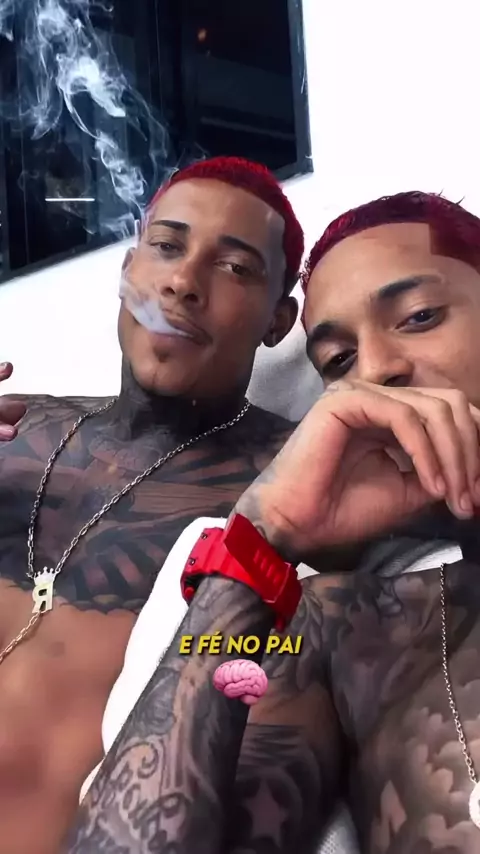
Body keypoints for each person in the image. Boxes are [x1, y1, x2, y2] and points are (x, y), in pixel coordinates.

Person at [67, 191, 480, 854]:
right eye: (338, 362)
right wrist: (260, 538)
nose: (376, 371)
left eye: (419, 316)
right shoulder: (354, 629)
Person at [0, 155, 304, 854]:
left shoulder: (292, 484)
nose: (182, 283)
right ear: (127, 268)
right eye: (166, 246)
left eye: (235, 267)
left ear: (278, 320)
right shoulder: (15, 429)